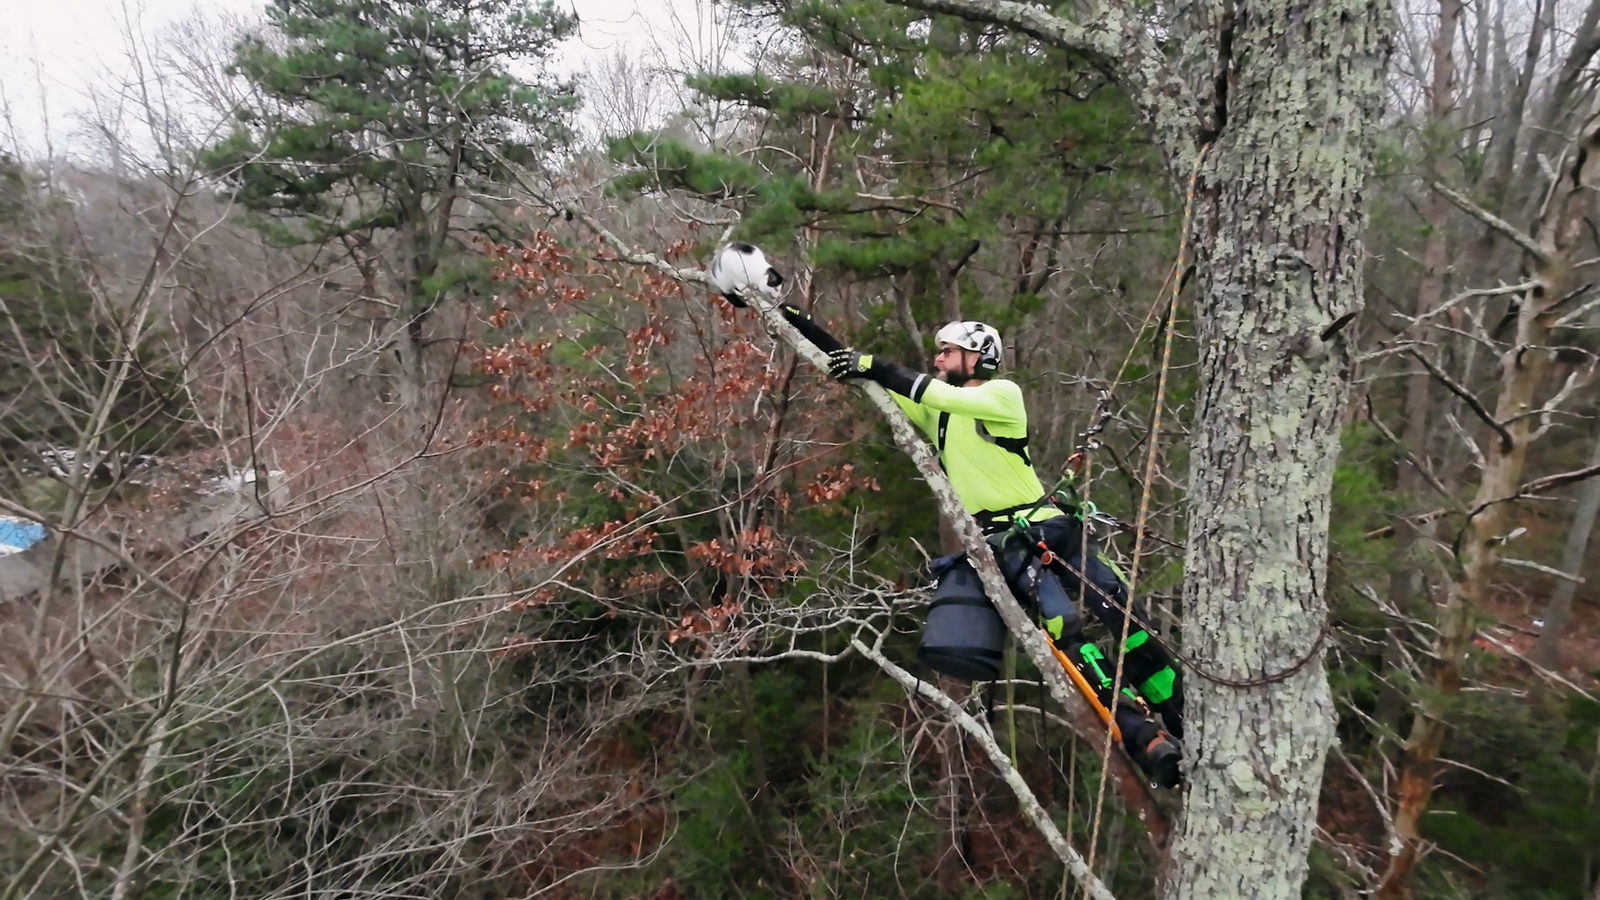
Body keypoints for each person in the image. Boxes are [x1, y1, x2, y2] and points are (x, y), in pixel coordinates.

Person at [778, 306, 1185, 787]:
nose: (938, 357)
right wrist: (791, 317)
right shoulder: (941, 415)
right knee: (1065, 627)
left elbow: (906, 381)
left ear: (976, 358)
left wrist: (875, 364)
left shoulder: (1001, 395)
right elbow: (875, 381)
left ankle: (1179, 708)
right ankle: (1145, 739)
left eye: (947, 351)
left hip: (1048, 524)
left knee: (1118, 608)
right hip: (1005, 541)